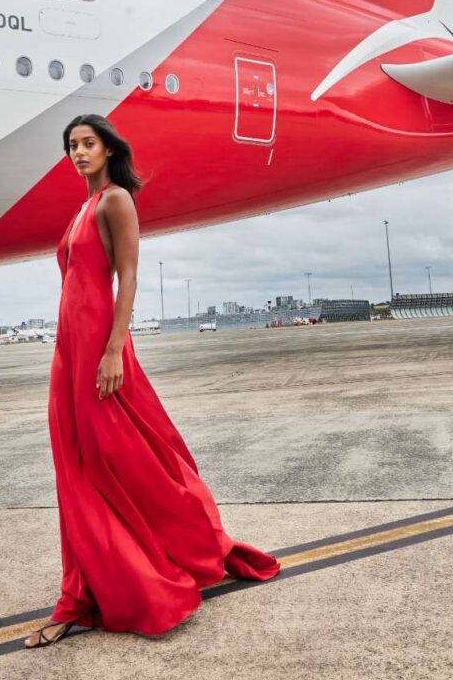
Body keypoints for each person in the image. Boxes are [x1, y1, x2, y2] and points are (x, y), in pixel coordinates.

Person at [24, 114, 280, 648]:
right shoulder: (82, 207)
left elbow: (128, 275)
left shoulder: (116, 200)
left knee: (123, 460)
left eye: (88, 144)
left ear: (109, 150)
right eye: (71, 146)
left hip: (100, 346)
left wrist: (114, 348)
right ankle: (89, 582)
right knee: (77, 467)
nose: (78, 153)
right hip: (69, 351)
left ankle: (141, 568)